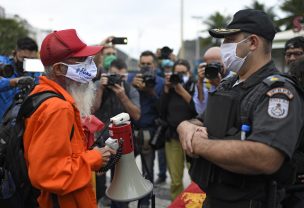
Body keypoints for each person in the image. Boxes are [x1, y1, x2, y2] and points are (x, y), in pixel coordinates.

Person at [177, 9, 304, 208]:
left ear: (253, 43)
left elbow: (266, 156)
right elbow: (202, 120)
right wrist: (185, 126)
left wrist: (200, 145)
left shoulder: (277, 91)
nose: (223, 47)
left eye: (229, 40)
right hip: (214, 198)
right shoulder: (229, 84)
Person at [23, 29, 116, 208]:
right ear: (58, 68)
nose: (90, 66)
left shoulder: (45, 94)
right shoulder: (58, 108)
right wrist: (94, 158)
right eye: (81, 60)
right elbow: (47, 174)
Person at [93, 58, 141, 208]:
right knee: (98, 185)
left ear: (125, 76)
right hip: (99, 141)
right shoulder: (98, 85)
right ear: (106, 74)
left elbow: (137, 115)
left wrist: (122, 95)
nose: (115, 80)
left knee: (121, 186)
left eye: (119, 76)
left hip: (122, 143)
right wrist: (100, 88)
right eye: (113, 75)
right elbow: (92, 110)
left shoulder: (129, 89)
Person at [129, 50, 164, 207]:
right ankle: (122, 202)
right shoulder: (130, 79)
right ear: (138, 65)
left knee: (147, 172)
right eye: (142, 64)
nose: (145, 67)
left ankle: (144, 203)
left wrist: (149, 91)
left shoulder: (161, 83)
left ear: (155, 65)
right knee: (124, 170)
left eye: (148, 64)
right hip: (130, 132)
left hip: (149, 132)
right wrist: (131, 87)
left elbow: (163, 109)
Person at [159, 59, 197, 200]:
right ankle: (177, 204)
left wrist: (181, 90)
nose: (179, 76)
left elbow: (197, 109)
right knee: (175, 179)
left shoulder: (194, 85)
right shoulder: (170, 88)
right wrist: (166, 90)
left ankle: (195, 204)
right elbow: (161, 112)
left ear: (189, 73)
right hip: (173, 137)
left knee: (195, 178)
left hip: (192, 138)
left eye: (183, 73)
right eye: (177, 73)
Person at [0, 37, 41, 121]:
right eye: (23, 58)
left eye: (31, 59)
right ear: (15, 53)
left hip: (19, 123)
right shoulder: (3, 63)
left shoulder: (35, 70)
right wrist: (15, 82)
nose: (27, 62)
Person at [194, 47, 233, 114]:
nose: (214, 68)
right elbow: (200, 111)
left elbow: (231, 110)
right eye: (210, 65)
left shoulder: (235, 78)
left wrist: (219, 86)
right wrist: (200, 84)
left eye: (217, 64)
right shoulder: (204, 81)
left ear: (226, 61)